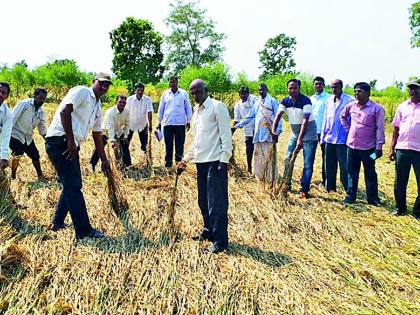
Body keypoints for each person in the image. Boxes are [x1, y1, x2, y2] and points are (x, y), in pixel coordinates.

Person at [45, 72, 112, 239]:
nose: (105, 86)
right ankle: (84, 230)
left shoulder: (97, 106)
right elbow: (64, 112)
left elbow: (97, 135)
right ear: (93, 82)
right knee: (74, 185)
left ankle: (58, 222)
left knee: (70, 183)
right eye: (101, 82)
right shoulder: (82, 92)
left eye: (107, 84)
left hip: (71, 144)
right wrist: (70, 141)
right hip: (60, 141)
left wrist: (104, 160)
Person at [177, 79, 232, 254]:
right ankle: (208, 231)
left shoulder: (217, 107)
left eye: (198, 92)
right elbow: (197, 141)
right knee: (203, 201)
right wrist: (185, 159)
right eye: (192, 93)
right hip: (200, 162)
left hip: (215, 162)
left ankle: (220, 241)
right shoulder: (196, 111)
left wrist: (224, 161)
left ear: (205, 90)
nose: (195, 96)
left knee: (217, 204)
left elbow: (226, 135)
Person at [340, 82, 385, 205]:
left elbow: (380, 129)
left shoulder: (377, 109)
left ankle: (373, 199)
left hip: (369, 149)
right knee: (351, 172)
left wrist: (379, 148)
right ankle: (350, 196)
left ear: (368, 93)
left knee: (370, 173)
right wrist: (348, 129)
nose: (356, 93)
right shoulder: (351, 106)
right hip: (352, 147)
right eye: (355, 91)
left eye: (359, 91)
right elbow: (342, 116)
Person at [273, 79, 318, 199]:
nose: (292, 90)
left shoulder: (305, 101)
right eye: (290, 88)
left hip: (308, 134)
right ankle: (287, 184)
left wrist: (300, 139)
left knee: (307, 164)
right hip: (295, 133)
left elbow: (305, 120)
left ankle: (304, 189)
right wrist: (274, 131)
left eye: (295, 88)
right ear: (287, 89)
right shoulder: (285, 101)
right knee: (288, 158)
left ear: (299, 88)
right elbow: (278, 116)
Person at [234, 83, 281, 182]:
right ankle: (260, 178)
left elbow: (278, 117)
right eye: (259, 90)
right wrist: (236, 126)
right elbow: (249, 116)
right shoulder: (257, 103)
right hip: (258, 133)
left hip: (269, 134)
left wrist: (277, 132)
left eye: (263, 90)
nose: (261, 92)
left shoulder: (272, 101)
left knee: (269, 156)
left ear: (266, 90)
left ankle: (271, 178)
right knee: (258, 156)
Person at [389, 79, 420, 219]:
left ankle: (418, 211)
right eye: (410, 88)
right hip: (402, 149)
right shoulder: (402, 106)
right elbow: (395, 128)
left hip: (419, 151)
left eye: (416, 88)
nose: (412, 90)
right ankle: (400, 208)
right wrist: (392, 148)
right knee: (400, 181)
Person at [320, 79, 353, 192]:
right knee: (329, 165)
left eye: (336, 87)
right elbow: (325, 118)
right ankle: (330, 188)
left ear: (341, 87)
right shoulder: (329, 100)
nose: (334, 89)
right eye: (332, 87)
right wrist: (322, 138)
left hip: (343, 139)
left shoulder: (349, 100)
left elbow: (352, 120)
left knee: (344, 166)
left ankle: (346, 188)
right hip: (329, 138)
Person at [10, 88, 48, 180]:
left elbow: (42, 128)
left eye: (44, 98)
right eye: (40, 98)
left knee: (35, 155)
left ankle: (40, 176)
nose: (42, 101)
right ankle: (13, 175)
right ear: (34, 96)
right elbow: (12, 118)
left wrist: (48, 140)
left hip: (28, 137)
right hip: (15, 134)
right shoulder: (24, 104)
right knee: (17, 153)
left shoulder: (40, 111)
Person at [158, 76, 192, 167]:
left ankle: (179, 164)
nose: (172, 84)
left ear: (177, 82)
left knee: (179, 145)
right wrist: (159, 121)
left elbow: (188, 107)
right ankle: (168, 164)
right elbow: (161, 108)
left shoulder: (183, 93)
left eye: (173, 82)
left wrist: (188, 121)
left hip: (180, 124)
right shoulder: (165, 94)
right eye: (170, 82)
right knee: (168, 145)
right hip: (168, 123)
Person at [90, 95, 130, 170]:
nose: (122, 104)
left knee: (124, 145)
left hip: (117, 131)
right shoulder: (110, 112)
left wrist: (125, 136)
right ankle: (92, 164)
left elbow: (127, 124)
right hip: (105, 131)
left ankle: (127, 165)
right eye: (120, 102)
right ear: (116, 102)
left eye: (124, 102)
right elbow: (110, 127)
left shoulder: (127, 111)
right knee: (99, 147)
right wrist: (112, 141)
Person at [126, 83, 153, 165]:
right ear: (135, 90)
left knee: (145, 146)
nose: (140, 92)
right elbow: (126, 112)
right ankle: (126, 163)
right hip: (130, 125)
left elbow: (149, 112)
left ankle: (148, 162)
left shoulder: (147, 99)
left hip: (143, 125)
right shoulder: (129, 99)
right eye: (138, 90)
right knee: (125, 144)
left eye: (142, 90)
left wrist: (150, 125)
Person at [310, 76, 330, 186]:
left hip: (324, 131)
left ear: (324, 85)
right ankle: (308, 180)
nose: (318, 85)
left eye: (320, 84)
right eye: (316, 84)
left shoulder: (329, 98)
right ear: (313, 85)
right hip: (312, 131)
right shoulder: (310, 99)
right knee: (310, 156)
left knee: (326, 157)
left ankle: (326, 181)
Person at [233, 86, 257, 173]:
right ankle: (249, 169)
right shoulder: (238, 105)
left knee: (258, 151)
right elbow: (236, 120)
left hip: (258, 128)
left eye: (245, 94)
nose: (243, 96)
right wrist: (232, 131)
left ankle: (259, 170)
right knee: (249, 150)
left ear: (248, 93)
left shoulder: (254, 100)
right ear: (239, 94)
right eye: (241, 94)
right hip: (247, 130)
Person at [0, 82, 13, 172]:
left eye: (3, 92)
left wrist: (4, 156)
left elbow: (6, 134)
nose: (0, 94)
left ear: (7, 96)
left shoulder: (8, 113)